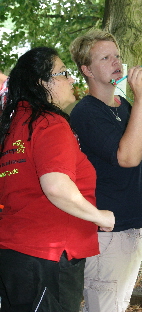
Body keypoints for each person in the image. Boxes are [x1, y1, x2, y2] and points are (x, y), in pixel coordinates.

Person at [0, 47, 115, 312]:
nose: (72, 79)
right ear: (43, 82)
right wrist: (100, 217)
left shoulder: (14, 124)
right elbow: (57, 187)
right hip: (48, 257)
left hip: (14, 255)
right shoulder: (49, 122)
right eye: (63, 73)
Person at [69, 29, 142, 312]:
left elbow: (140, 152)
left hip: (129, 228)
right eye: (105, 57)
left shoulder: (122, 106)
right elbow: (127, 158)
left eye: (117, 55)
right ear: (87, 70)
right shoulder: (86, 112)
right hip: (109, 233)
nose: (116, 62)